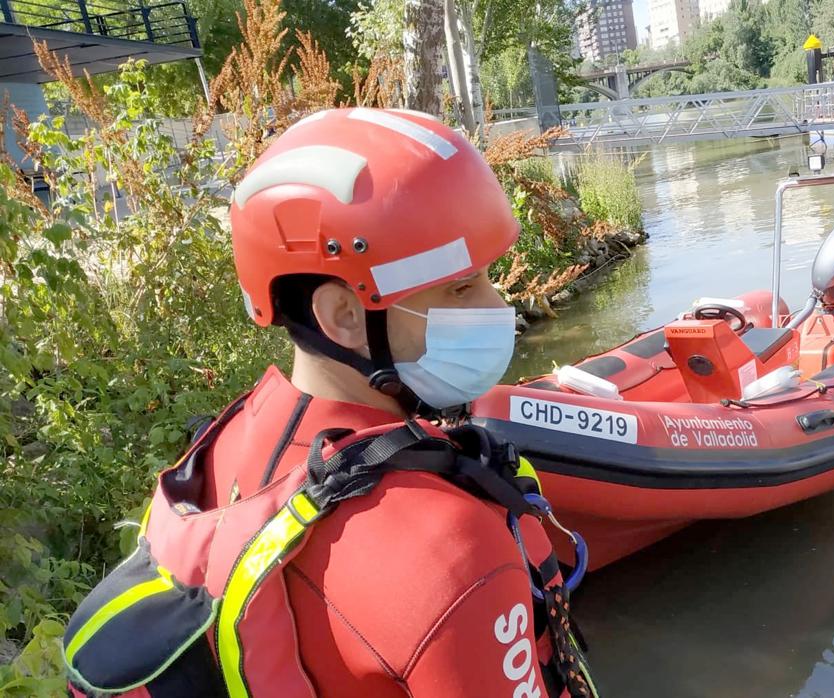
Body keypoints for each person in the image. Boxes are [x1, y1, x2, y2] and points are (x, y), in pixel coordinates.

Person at [61, 108, 595, 698]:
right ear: (344, 316)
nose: (499, 307)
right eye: (462, 287)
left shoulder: (224, 444)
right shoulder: (454, 548)